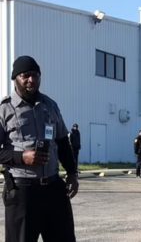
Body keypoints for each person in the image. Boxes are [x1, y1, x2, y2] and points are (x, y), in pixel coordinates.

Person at [0, 55, 78, 242]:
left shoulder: (50, 106)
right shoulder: (5, 110)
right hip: (22, 192)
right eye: (25, 76)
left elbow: (62, 142)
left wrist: (72, 173)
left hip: (53, 189)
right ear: (15, 78)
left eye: (35, 75)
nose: (31, 80)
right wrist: (21, 157)